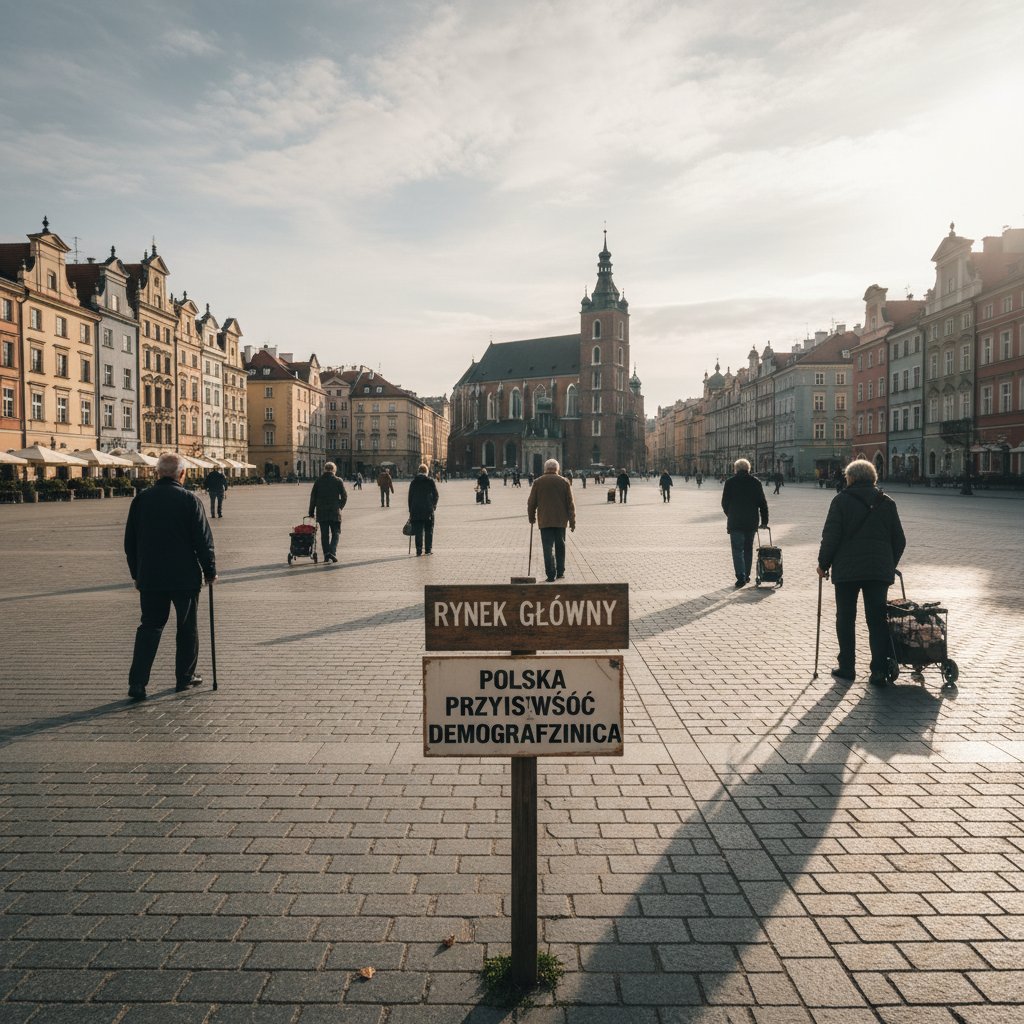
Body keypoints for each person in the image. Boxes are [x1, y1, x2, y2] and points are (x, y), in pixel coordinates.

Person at [124, 452, 216, 701]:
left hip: (151, 576)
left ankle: (138, 683)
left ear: (157, 473)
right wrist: (210, 570)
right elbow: (203, 540)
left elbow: (129, 542)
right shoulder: (189, 499)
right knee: (187, 627)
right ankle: (184, 678)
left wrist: (137, 573)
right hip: (183, 576)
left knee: (150, 626)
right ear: (182, 474)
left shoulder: (141, 499)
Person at [817, 459, 906, 686]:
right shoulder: (887, 502)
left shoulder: (841, 501)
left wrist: (823, 564)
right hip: (878, 572)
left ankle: (847, 667)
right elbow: (900, 540)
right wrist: (889, 563)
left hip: (847, 572)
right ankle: (878, 670)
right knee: (877, 620)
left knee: (845, 618)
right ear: (873, 477)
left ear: (851, 478)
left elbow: (831, 537)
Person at [721, 458, 769, 588]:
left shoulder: (730, 483)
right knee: (748, 549)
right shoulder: (756, 482)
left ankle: (740, 576)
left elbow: (724, 503)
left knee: (737, 550)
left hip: (735, 522)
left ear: (735, 469)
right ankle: (747, 575)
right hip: (751, 522)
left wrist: (730, 514)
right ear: (749, 469)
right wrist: (764, 521)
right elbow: (762, 503)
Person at [527, 458, 576, 583]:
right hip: (561, 521)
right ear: (557, 469)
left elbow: (531, 503)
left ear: (545, 469)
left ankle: (550, 574)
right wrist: (572, 521)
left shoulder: (538, 482)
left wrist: (531, 517)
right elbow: (570, 504)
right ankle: (560, 572)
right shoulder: (564, 482)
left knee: (548, 548)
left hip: (545, 520)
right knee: (561, 546)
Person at [309, 462, 348, 563]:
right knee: (336, 532)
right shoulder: (338, 481)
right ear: (334, 470)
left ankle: (326, 554)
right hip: (335, 511)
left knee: (324, 534)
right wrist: (340, 507)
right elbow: (344, 496)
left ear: (324, 469)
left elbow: (313, 498)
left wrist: (311, 512)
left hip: (322, 512)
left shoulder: (318, 481)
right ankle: (332, 552)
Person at [408, 462, 439, 555]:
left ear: (418, 471)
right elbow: (436, 495)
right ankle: (428, 550)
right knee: (429, 530)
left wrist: (411, 510)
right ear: (426, 472)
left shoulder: (413, 482)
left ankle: (418, 550)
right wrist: (433, 505)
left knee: (418, 531)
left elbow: (410, 497)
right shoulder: (430, 481)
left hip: (416, 510)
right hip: (428, 510)